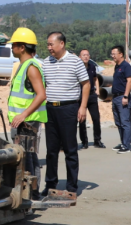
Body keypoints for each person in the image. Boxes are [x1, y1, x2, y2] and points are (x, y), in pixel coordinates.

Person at [41, 32, 90, 198]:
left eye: (51, 44)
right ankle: (50, 184)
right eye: (47, 45)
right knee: (51, 150)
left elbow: (86, 84)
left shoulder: (75, 61)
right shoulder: (46, 63)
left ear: (61, 44)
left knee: (70, 149)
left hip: (69, 109)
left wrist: (82, 107)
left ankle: (71, 187)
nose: (49, 48)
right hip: (51, 109)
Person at [7, 27, 47, 196]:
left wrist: (23, 115)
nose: (11, 47)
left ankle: (31, 194)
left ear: (22, 47)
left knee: (27, 159)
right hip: (23, 121)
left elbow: (41, 95)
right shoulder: (23, 66)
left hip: (28, 121)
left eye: (14, 44)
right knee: (27, 157)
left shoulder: (31, 67)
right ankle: (31, 193)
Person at [109, 45, 131, 153]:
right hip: (115, 97)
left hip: (122, 97)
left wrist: (125, 96)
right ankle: (123, 142)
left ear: (121, 54)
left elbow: (129, 81)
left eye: (114, 54)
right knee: (118, 122)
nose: (112, 56)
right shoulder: (116, 66)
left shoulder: (126, 66)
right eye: (112, 54)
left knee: (125, 122)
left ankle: (127, 146)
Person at [78, 49, 104, 149]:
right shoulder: (78, 68)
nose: (86, 57)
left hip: (92, 96)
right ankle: (84, 142)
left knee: (96, 118)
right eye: (83, 55)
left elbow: (95, 78)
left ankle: (97, 140)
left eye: (87, 55)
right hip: (80, 96)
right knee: (82, 119)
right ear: (80, 57)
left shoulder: (92, 66)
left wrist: (97, 89)